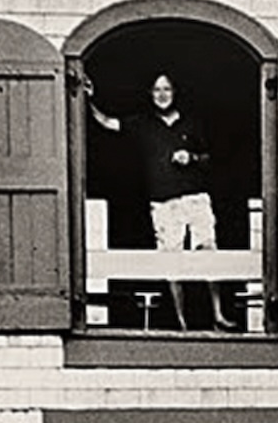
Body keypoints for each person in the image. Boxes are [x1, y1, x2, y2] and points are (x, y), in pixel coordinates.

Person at [86, 72, 236, 331]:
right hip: (164, 202)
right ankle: (182, 323)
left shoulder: (192, 123)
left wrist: (192, 158)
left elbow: (214, 158)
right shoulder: (142, 124)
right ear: (150, 94)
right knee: (171, 260)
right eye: (157, 90)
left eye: (167, 88)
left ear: (175, 92)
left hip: (196, 198)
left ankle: (218, 316)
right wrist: (87, 99)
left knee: (208, 254)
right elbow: (107, 123)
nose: (162, 94)